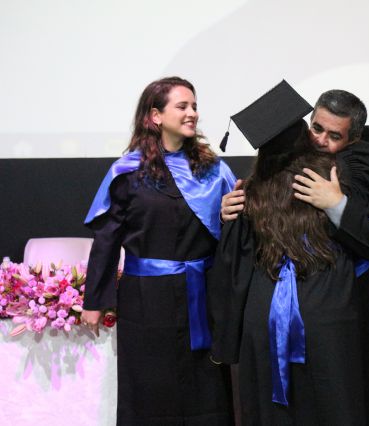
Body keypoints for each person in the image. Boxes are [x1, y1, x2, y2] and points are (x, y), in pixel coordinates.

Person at [209, 81, 369, 425]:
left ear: (353, 139)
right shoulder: (255, 190)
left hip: (279, 313)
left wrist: (336, 203)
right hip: (318, 311)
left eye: (334, 135)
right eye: (316, 129)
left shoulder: (259, 188)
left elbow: (232, 271)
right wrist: (226, 217)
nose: (321, 140)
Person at [81, 76, 236, 425]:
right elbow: (107, 240)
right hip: (145, 300)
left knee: (205, 388)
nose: (192, 113)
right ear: (155, 116)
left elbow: (232, 234)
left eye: (194, 106)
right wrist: (94, 301)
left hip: (202, 296)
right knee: (150, 388)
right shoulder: (128, 173)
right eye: (182, 106)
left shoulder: (213, 171)